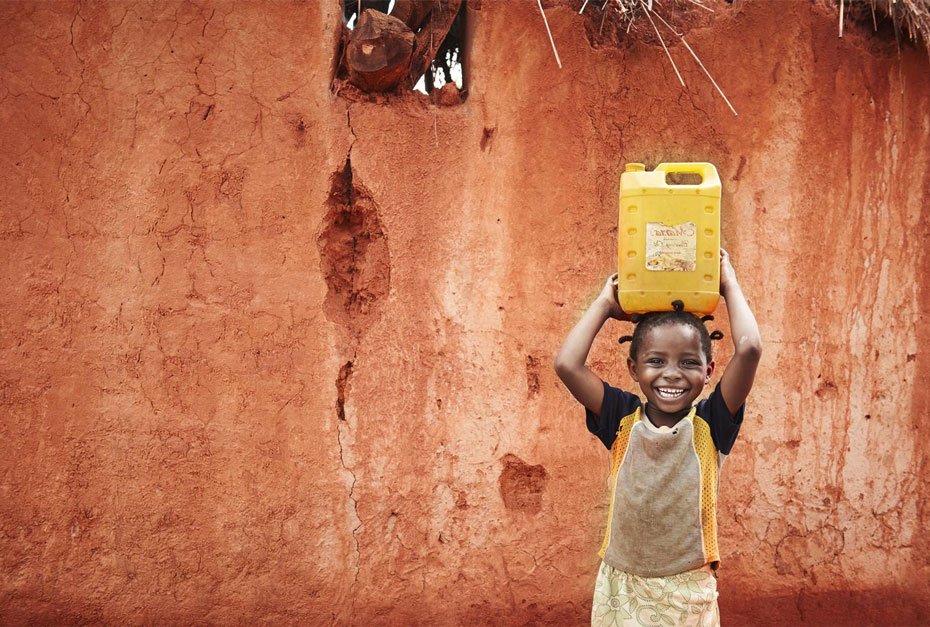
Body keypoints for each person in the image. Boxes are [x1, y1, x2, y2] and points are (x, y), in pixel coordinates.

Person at [553, 249, 762, 627]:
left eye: (688, 362)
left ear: (709, 370)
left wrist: (728, 283)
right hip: (623, 586)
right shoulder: (620, 417)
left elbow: (749, 348)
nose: (672, 374)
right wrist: (604, 304)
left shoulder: (713, 423)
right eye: (655, 361)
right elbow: (567, 365)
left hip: (686, 588)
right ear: (633, 368)